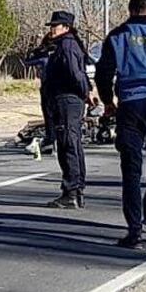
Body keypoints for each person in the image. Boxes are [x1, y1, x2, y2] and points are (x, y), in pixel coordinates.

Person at [96, 0, 146, 249]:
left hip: (129, 104)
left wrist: (108, 101)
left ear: (130, 10)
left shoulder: (117, 35)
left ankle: (134, 231)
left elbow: (104, 73)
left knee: (130, 170)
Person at [40, 11, 93, 209]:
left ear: (66, 27)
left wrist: (86, 92)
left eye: (56, 25)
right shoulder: (64, 45)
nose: (52, 29)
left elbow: (75, 73)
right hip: (66, 99)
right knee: (71, 143)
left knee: (68, 144)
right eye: (52, 25)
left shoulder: (67, 45)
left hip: (68, 100)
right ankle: (75, 189)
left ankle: (72, 190)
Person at [24, 32, 56, 149]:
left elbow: (27, 62)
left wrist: (32, 49)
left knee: (49, 114)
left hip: (47, 86)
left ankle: (51, 138)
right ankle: (56, 138)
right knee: (57, 115)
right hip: (59, 87)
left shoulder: (43, 56)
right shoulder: (59, 52)